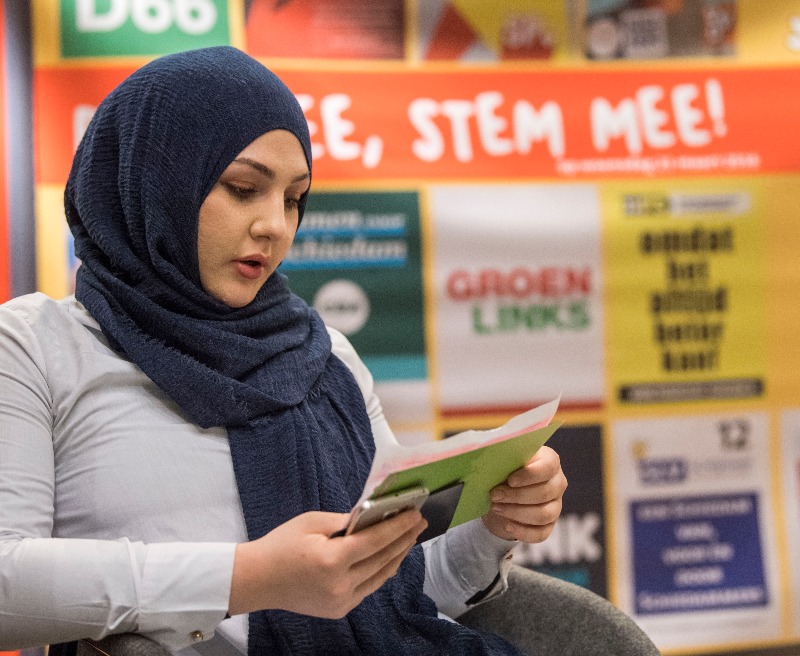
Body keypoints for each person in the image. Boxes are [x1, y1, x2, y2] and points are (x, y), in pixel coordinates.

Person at [0, 47, 567, 655]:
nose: (275, 225)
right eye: (243, 189)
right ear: (152, 183)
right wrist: (249, 577)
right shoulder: (35, 347)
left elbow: (392, 597)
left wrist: (492, 529)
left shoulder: (324, 356)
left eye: (294, 198)